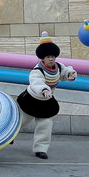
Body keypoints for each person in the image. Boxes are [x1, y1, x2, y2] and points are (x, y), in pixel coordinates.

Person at [17, 31, 77, 159]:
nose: (51, 59)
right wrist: (44, 90)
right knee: (20, 121)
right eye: (48, 56)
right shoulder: (37, 70)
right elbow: (36, 82)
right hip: (32, 100)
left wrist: (70, 74)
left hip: (47, 101)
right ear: (42, 58)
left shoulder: (58, 67)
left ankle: (40, 149)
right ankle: (8, 137)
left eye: (53, 56)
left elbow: (65, 72)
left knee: (45, 124)